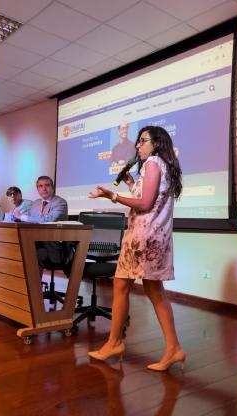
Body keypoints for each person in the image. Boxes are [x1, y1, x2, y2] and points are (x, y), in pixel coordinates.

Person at [86, 125, 185, 371]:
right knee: (154, 292)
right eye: (138, 141)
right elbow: (151, 200)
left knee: (121, 284)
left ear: (157, 143)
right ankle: (173, 349)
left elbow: (144, 203)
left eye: (143, 141)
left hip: (143, 238)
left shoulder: (152, 162)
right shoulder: (164, 165)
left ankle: (115, 342)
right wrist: (131, 185)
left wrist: (112, 196)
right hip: (155, 237)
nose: (138, 146)